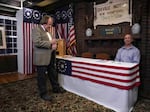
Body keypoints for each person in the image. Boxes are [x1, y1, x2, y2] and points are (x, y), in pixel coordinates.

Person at [32, 15, 65, 101]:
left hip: (50, 55)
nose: (50, 26)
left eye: (51, 24)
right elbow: (37, 42)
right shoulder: (36, 30)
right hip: (41, 58)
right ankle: (43, 93)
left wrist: (55, 45)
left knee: (53, 73)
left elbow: (52, 42)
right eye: (49, 24)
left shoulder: (49, 31)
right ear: (44, 22)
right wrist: (51, 43)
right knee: (42, 76)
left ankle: (56, 88)